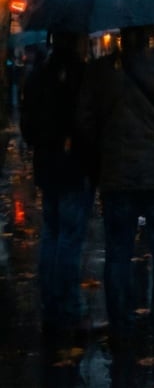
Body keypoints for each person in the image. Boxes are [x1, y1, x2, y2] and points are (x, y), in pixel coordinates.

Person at [76, 24, 154, 363]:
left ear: (122, 35)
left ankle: (121, 325)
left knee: (118, 253)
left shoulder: (100, 71)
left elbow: (85, 123)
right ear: (153, 33)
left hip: (116, 177)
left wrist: (100, 159)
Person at [20, 32, 94, 348]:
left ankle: (50, 309)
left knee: (50, 234)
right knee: (69, 239)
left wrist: (42, 146)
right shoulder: (82, 74)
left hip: (47, 167)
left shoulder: (38, 73)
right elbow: (90, 123)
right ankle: (71, 311)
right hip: (74, 167)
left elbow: (27, 125)